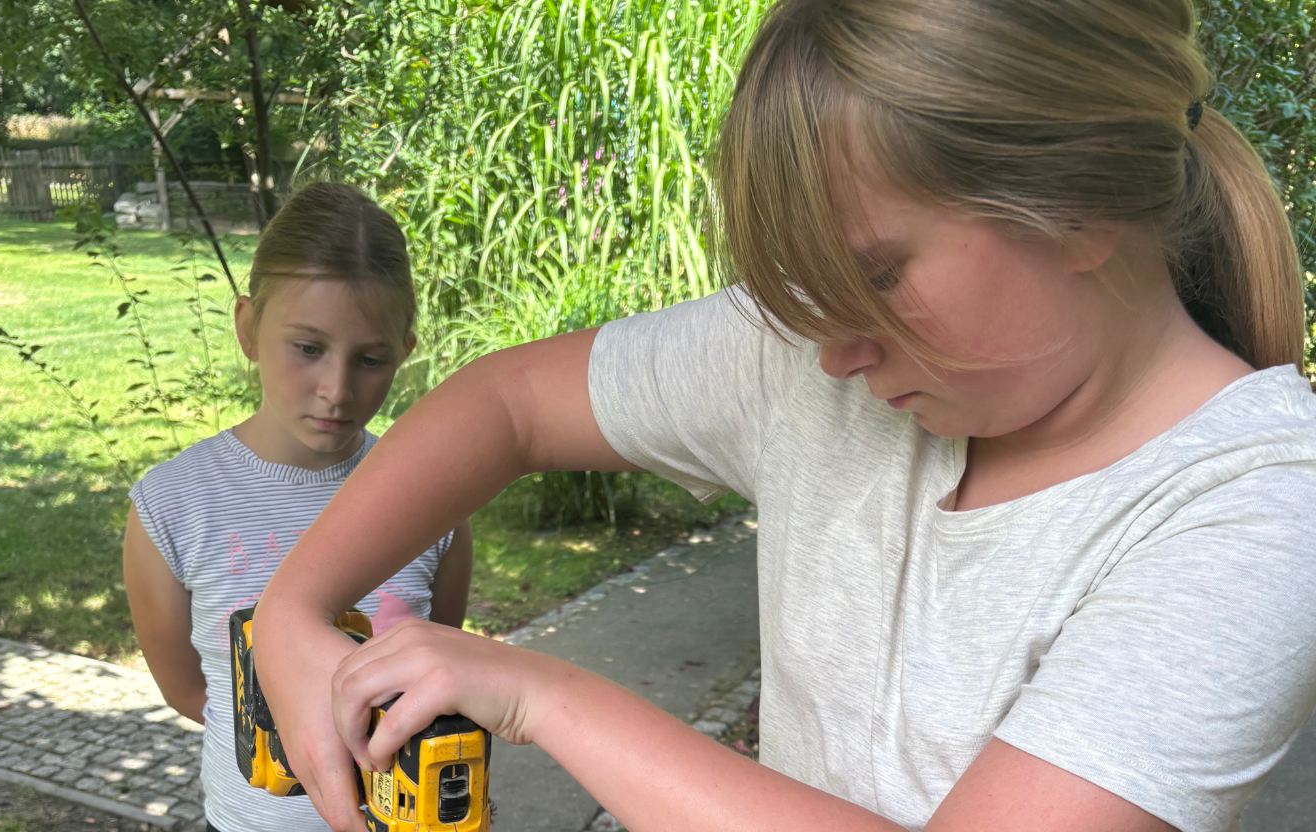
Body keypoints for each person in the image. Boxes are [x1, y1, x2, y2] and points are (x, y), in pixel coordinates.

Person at [251, 0, 1316, 830]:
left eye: (878, 275)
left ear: (1077, 203)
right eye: (806, 295)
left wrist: (547, 698)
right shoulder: (815, 358)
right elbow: (507, 401)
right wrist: (296, 608)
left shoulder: (1254, 510)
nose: (831, 351)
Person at [122, 183, 473, 832]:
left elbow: (435, 662)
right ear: (248, 328)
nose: (337, 389)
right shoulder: (172, 506)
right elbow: (192, 691)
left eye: (370, 359)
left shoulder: (433, 501)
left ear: (404, 351)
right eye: (308, 348)